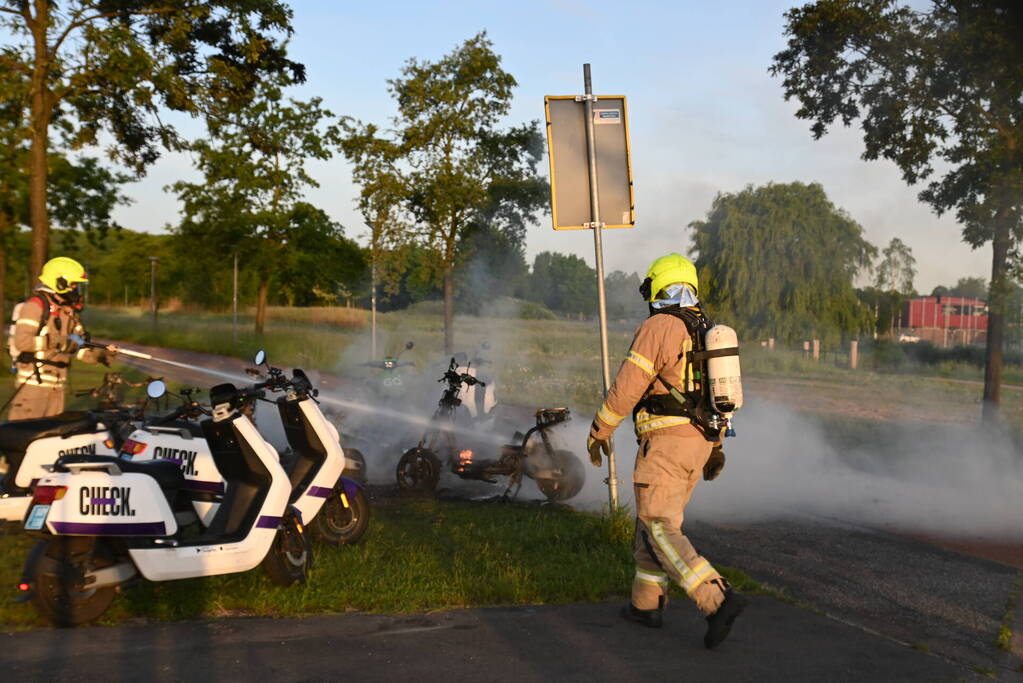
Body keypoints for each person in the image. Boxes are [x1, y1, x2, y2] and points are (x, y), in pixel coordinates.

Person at [587, 252, 746, 650]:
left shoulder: (660, 325)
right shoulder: (704, 328)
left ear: (659, 287)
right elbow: (713, 397)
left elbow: (628, 387)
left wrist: (599, 430)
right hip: (699, 442)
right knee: (651, 526)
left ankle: (717, 598)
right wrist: (716, 448)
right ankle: (645, 605)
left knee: (660, 527)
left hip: (667, 445)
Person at [8, 257, 117, 419]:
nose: (75, 289)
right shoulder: (34, 306)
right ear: (59, 282)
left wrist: (101, 354)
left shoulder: (68, 312)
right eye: (73, 285)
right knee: (24, 439)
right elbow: (23, 342)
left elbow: (77, 348)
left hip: (57, 389)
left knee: (50, 440)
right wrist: (58, 340)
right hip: (33, 389)